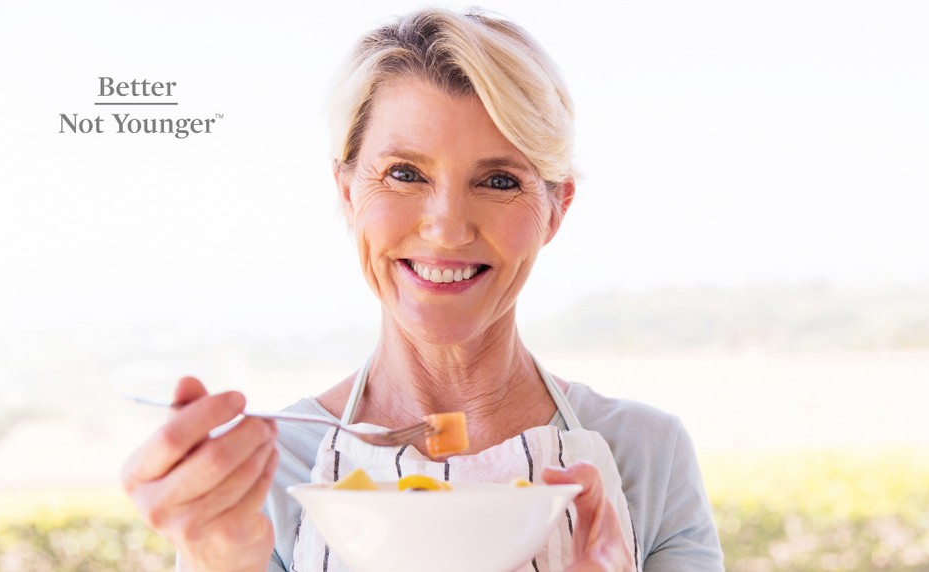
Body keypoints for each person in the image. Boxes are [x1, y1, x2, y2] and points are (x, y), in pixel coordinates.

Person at [122, 8, 722, 572]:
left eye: (498, 180)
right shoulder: (267, 478)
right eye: (404, 174)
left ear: (555, 209)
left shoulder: (649, 454)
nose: (447, 227)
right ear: (348, 190)